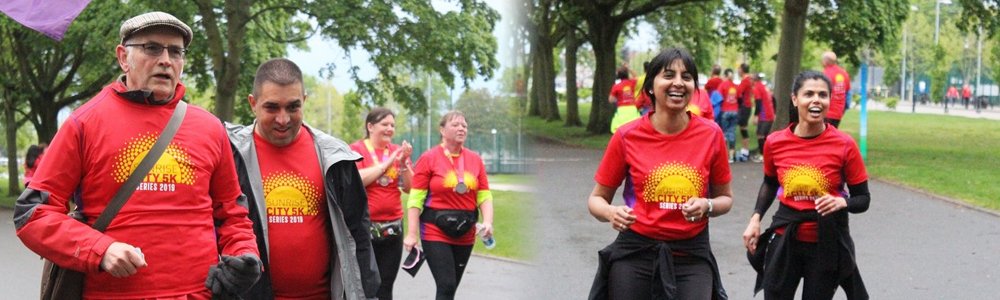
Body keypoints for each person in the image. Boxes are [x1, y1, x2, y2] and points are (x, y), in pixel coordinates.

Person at [14, 11, 261, 299]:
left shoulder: (210, 128)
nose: (166, 60)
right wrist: (100, 249)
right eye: (152, 48)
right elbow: (32, 214)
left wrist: (244, 254)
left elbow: (233, 215)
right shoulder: (85, 123)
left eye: (176, 51)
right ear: (123, 57)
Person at [226, 58, 380, 299]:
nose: (283, 119)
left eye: (293, 107)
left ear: (305, 101)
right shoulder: (231, 156)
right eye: (272, 107)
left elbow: (357, 235)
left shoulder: (334, 157)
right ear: (252, 103)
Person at [587, 48, 733, 300]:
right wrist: (611, 212)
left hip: (691, 255)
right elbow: (596, 199)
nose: (678, 82)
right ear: (651, 86)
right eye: (668, 75)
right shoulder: (627, 136)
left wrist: (707, 204)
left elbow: (725, 199)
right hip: (636, 251)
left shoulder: (711, 134)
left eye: (687, 77)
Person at [742, 70, 871, 300]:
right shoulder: (775, 142)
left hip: (825, 243)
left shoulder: (844, 145)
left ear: (829, 101)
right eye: (808, 94)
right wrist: (755, 218)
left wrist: (841, 201)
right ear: (794, 99)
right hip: (785, 238)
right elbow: (770, 183)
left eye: (823, 95)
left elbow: (863, 199)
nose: (816, 100)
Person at [403, 111, 495, 300]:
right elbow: (415, 199)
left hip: (465, 232)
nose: (461, 128)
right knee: (446, 284)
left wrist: (488, 222)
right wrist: (412, 234)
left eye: (464, 125)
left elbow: (484, 195)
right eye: (455, 125)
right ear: (442, 130)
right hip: (434, 230)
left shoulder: (475, 159)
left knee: (450, 290)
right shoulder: (430, 158)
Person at [349, 107, 414, 300]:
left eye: (392, 125)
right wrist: (386, 164)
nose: (389, 129)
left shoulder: (397, 151)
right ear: (370, 126)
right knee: (366, 282)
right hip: (364, 227)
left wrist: (402, 164)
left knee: (386, 284)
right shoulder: (356, 150)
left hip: (392, 225)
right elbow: (356, 180)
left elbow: (410, 188)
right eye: (384, 124)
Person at [821, 51, 851, 128]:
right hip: (838, 112)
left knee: (822, 136)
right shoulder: (844, 73)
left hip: (826, 111)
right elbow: (847, 92)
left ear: (825, 61)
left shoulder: (825, 74)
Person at [751, 73, 775, 163]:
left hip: (764, 115)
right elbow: (772, 99)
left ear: (754, 80)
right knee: (764, 136)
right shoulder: (763, 86)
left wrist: (756, 116)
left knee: (760, 135)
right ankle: (765, 155)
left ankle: (763, 156)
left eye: (751, 79)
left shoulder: (757, 87)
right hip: (769, 114)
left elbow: (758, 102)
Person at [609, 66, 641, 133]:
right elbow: (636, 77)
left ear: (618, 75)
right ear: (627, 74)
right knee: (634, 127)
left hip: (622, 109)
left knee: (620, 127)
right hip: (632, 108)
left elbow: (611, 99)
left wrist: (618, 98)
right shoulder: (631, 82)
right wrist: (628, 68)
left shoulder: (616, 86)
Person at [718, 68, 740, 162]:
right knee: (732, 132)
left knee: (724, 133)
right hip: (735, 111)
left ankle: (725, 156)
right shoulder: (736, 86)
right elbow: (739, 97)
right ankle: (731, 156)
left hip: (725, 111)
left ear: (725, 75)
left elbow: (719, 98)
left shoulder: (722, 85)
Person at [735, 63, 754, 160]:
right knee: (743, 128)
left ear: (742, 70)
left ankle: (745, 151)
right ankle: (744, 150)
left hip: (744, 106)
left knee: (743, 129)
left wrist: (738, 105)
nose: (738, 71)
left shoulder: (745, 81)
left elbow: (738, 93)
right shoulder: (749, 80)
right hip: (747, 106)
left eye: (739, 69)